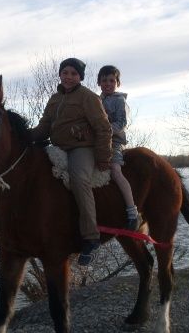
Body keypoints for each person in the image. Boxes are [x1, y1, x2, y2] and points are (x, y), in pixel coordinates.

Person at [30, 57, 112, 266]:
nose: (68, 76)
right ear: (60, 74)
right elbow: (44, 127)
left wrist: (103, 157)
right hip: (58, 147)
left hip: (82, 148)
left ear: (80, 77)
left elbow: (103, 128)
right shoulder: (54, 99)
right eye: (65, 72)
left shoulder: (88, 97)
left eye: (74, 74)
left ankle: (91, 237)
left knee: (78, 179)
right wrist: (23, 135)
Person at [97, 65, 141, 231]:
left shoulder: (119, 100)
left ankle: (132, 211)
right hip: (96, 141)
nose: (107, 84)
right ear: (99, 83)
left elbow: (122, 123)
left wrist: (105, 131)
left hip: (113, 141)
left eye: (111, 80)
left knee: (115, 170)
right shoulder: (96, 100)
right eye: (104, 80)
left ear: (117, 83)